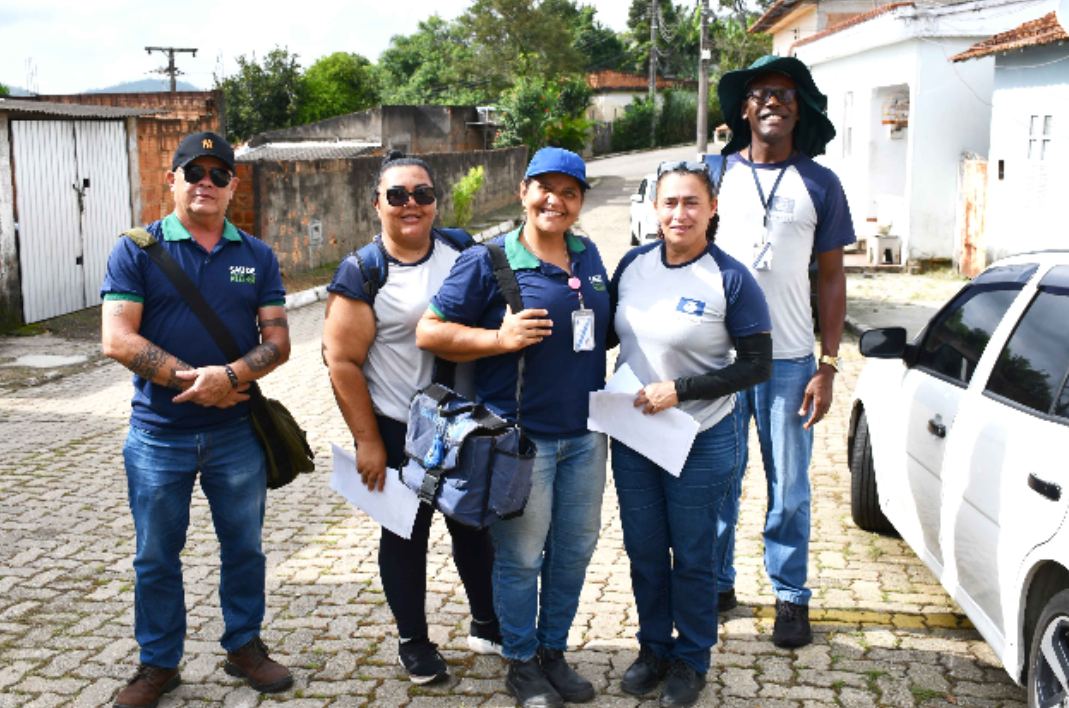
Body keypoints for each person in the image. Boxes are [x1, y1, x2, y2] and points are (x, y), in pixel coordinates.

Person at [100, 132, 293, 708]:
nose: (205, 183)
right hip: (158, 437)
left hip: (237, 435)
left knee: (246, 549)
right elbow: (116, 337)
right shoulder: (136, 249)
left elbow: (279, 339)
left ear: (233, 185)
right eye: (194, 172)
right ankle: (158, 664)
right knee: (156, 555)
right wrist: (198, 382)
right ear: (173, 180)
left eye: (217, 174)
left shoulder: (256, 255)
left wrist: (230, 377)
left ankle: (244, 646)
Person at [416, 147, 610, 708]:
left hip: (587, 435)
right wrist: (497, 341)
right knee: (523, 557)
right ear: (524, 191)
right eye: (545, 188)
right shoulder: (490, 259)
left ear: (579, 202)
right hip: (522, 442)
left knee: (574, 550)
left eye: (569, 192)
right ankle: (520, 661)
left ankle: (553, 652)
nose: (556, 200)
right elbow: (430, 331)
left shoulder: (589, 254)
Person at [321, 151, 500, 685]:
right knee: (405, 533)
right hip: (399, 426)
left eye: (422, 194)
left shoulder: (464, 251)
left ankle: (487, 621)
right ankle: (414, 640)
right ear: (376, 203)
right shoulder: (363, 270)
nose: (410, 205)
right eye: (396, 195)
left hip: (462, 424)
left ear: (435, 201)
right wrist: (367, 441)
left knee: (473, 527)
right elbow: (342, 360)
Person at [609, 161, 772, 708]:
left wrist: (680, 389)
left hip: (701, 436)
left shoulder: (730, 277)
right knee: (646, 550)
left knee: (694, 554)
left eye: (691, 203)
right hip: (635, 436)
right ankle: (654, 647)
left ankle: (692, 658)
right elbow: (600, 332)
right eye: (670, 203)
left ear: (712, 208)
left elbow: (756, 366)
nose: (679, 213)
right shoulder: (632, 265)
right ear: (655, 209)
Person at [712, 55, 856, 648]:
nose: (775, 102)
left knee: (790, 487)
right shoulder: (712, 176)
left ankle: (791, 596)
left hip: (791, 362)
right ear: (744, 108)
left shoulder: (820, 183)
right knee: (719, 478)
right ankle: (715, 583)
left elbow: (832, 280)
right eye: (762, 93)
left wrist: (828, 364)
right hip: (720, 363)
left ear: (801, 111)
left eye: (787, 95)